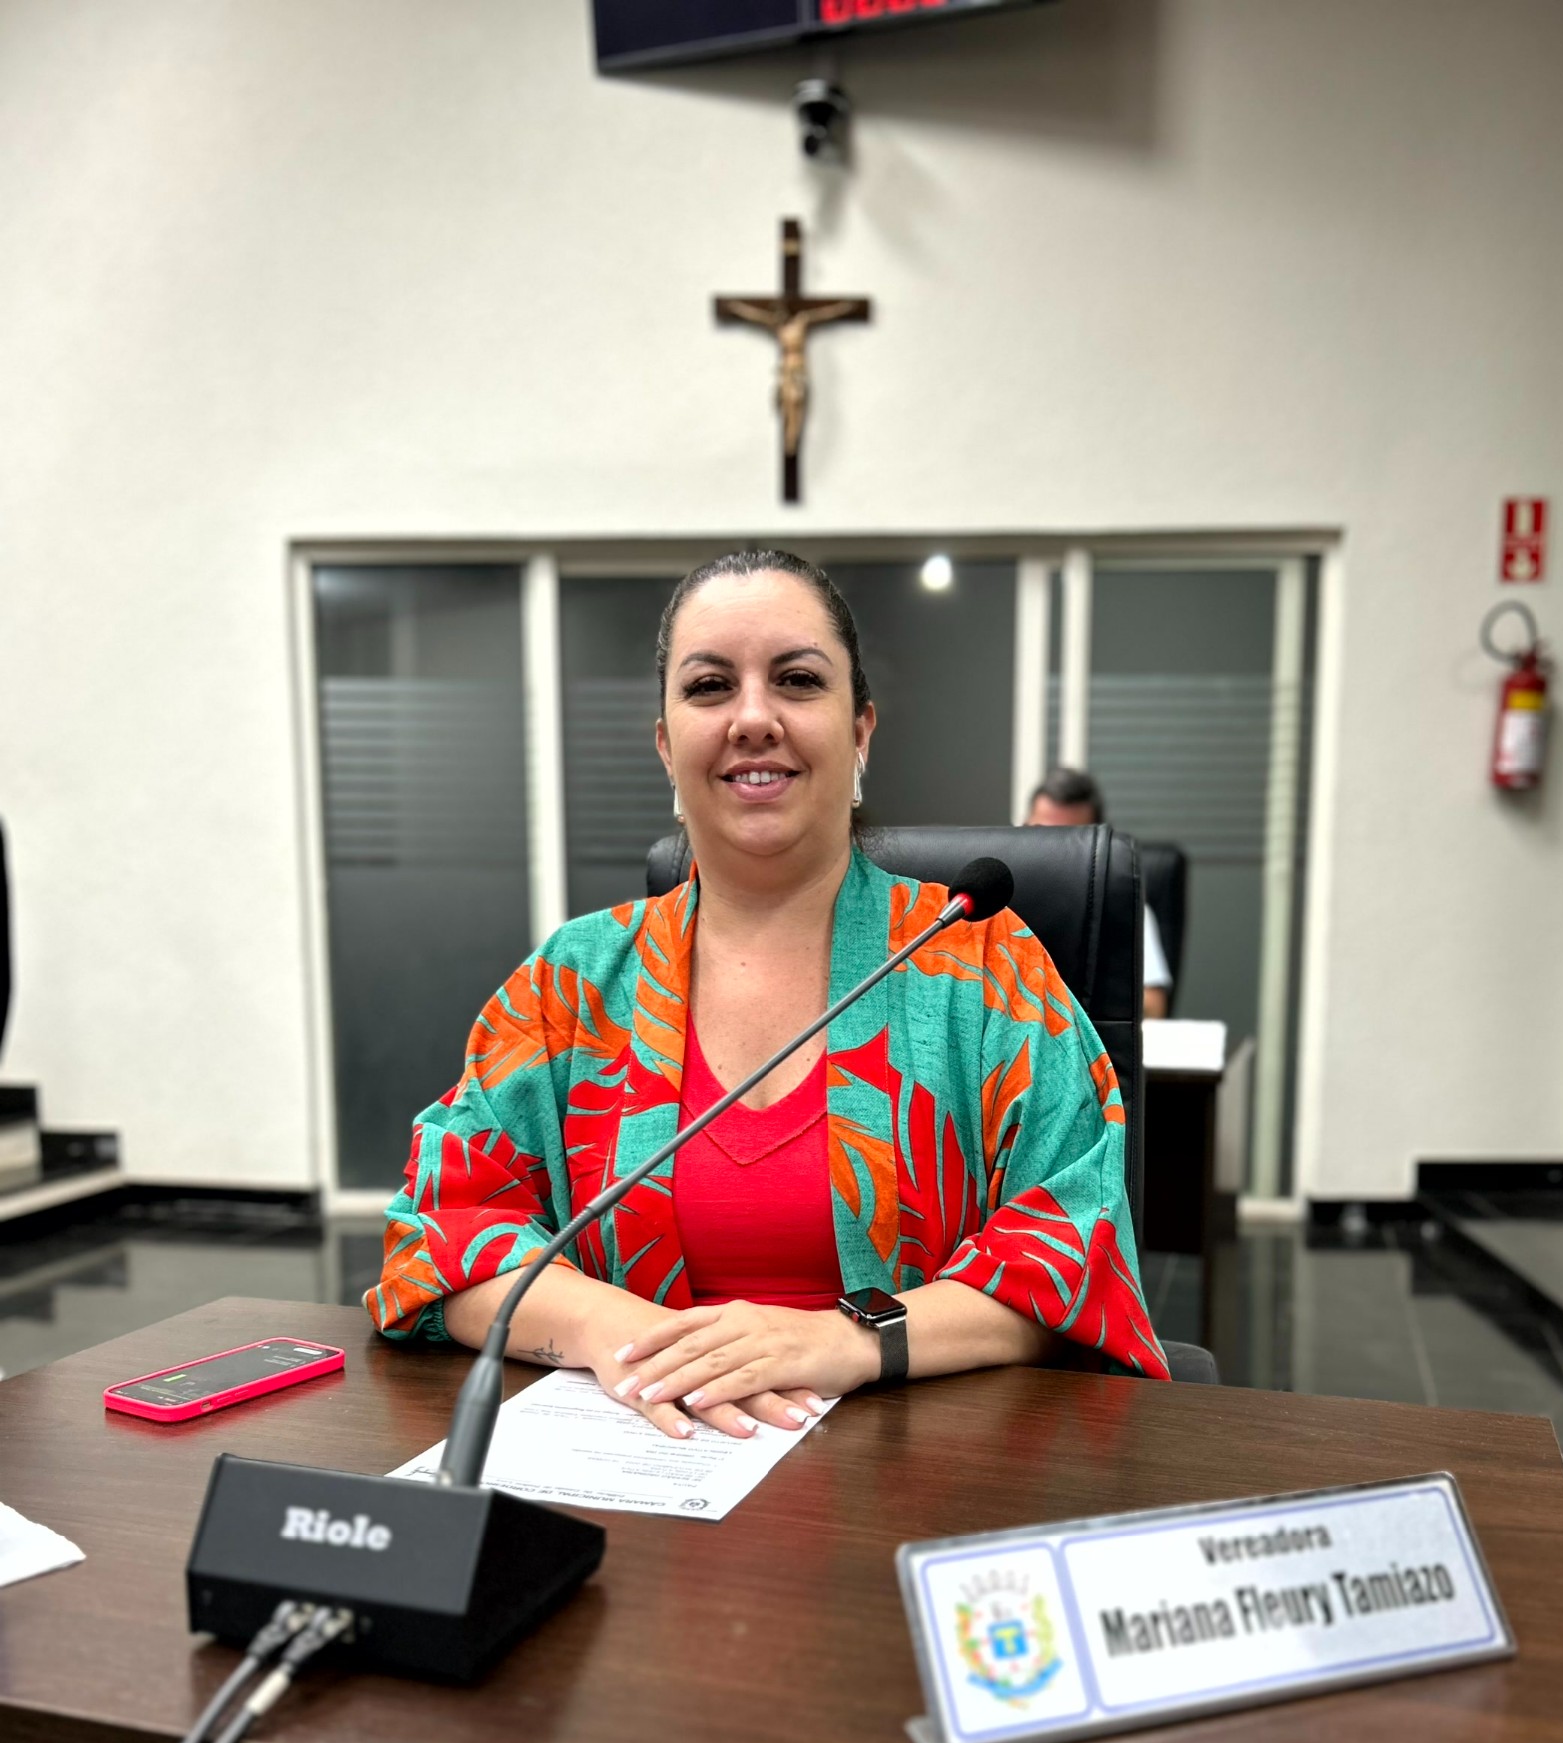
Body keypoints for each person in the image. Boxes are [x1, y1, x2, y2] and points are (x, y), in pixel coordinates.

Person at [368, 550, 1168, 1438]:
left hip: (916, 1464)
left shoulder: (982, 963)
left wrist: (848, 1339)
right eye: (710, 687)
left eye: (797, 680)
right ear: (666, 744)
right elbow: (438, 1239)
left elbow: (1074, 1257)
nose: (753, 718)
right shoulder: (570, 983)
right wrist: (615, 1331)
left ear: (860, 731)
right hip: (641, 1460)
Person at [1025, 766, 1173, 1019]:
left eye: (1067, 839)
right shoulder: (993, 903)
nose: (1051, 850)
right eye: (1042, 833)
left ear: (1097, 845)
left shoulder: (1123, 907)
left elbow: (1153, 1005)